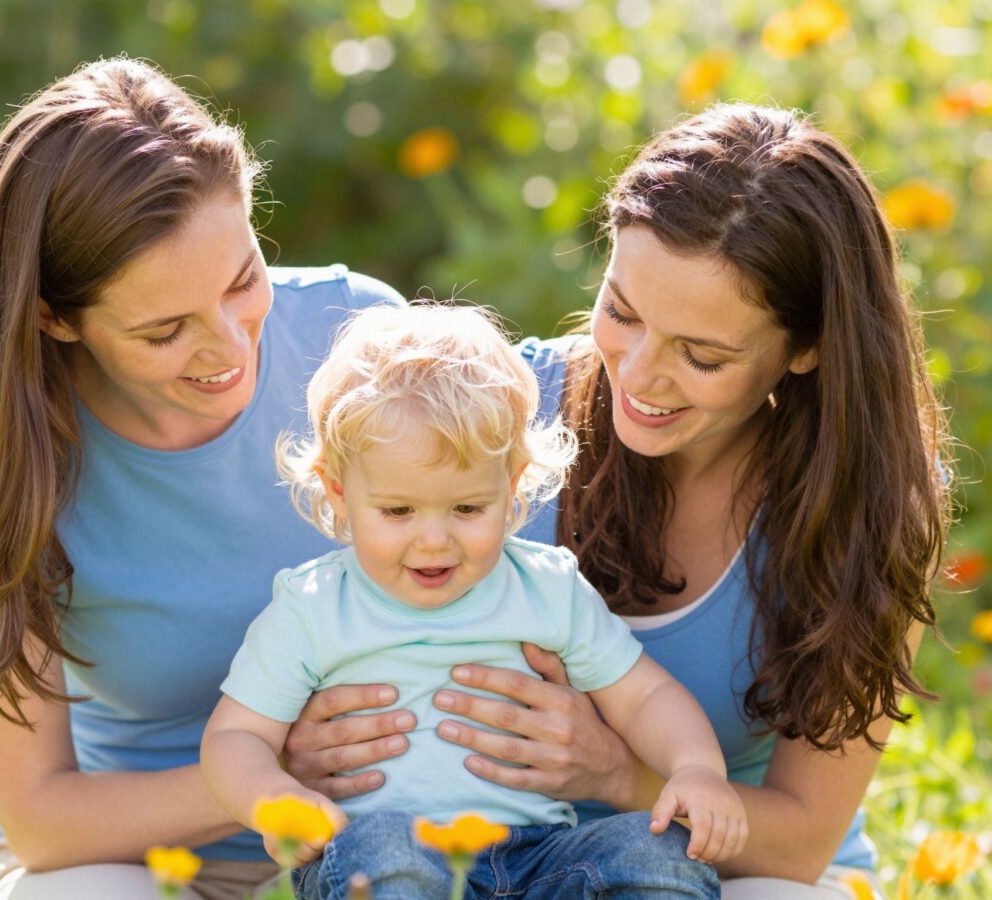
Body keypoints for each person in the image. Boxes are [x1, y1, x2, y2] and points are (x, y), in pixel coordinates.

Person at [278, 104, 951, 899]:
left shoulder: (869, 510)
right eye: (622, 313)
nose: (637, 376)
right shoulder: (492, 418)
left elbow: (801, 842)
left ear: (808, 348)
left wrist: (611, 769)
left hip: (729, 870)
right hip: (473, 857)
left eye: (701, 356)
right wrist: (306, 750)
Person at [0, 58, 409, 899]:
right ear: (54, 318)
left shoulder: (363, 337)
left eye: (244, 280)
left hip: (387, 832)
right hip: (135, 857)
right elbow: (40, 820)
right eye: (165, 331)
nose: (231, 348)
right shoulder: (0, 467)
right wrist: (262, 770)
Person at [201, 303, 746, 899]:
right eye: (398, 511)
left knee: (656, 853)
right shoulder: (313, 606)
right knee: (386, 848)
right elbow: (236, 738)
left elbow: (644, 697)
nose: (434, 539)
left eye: (467, 509)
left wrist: (697, 769)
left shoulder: (546, 587)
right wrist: (276, 800)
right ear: (338, 489)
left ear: (511, 485)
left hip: (538, 857)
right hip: (386, 850)